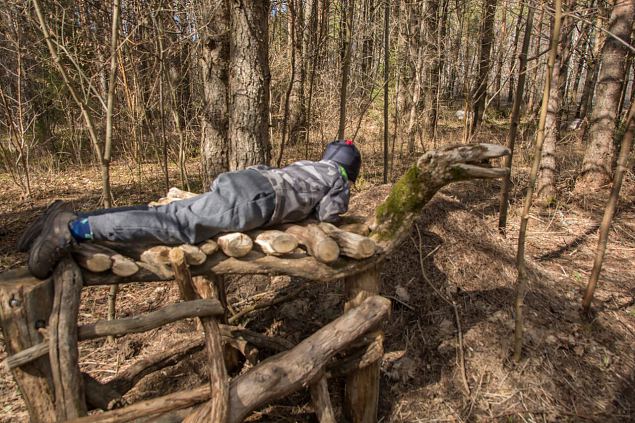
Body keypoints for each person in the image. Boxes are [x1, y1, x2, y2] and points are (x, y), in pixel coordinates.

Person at [21, 140, 362, 279]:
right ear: (351, 169)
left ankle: (77, 219)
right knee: (176, 225)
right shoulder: (336, 177)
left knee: (169, 213)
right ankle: (74, 229)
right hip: (255, 201)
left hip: (248, 181)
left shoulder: (309, 164)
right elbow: (330, 214)